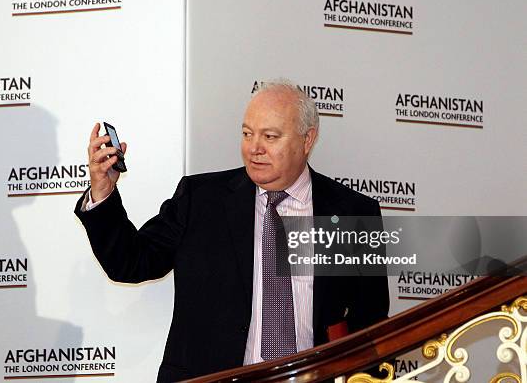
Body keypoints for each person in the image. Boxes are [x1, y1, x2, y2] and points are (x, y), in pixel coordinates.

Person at [74, 80, 389, 382]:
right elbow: (130, 262)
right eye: (247, 133)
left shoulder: (352, 212)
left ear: (307, 140)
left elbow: (371, 321)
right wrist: (102, 193)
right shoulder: (200, 199)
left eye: (270, 136)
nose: (254, 148)